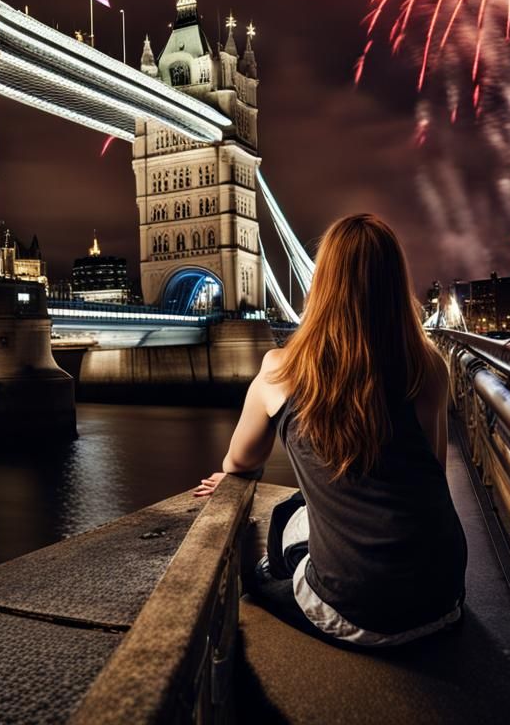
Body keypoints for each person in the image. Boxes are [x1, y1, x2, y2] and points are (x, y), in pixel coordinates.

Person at [194, 214, 467, 646]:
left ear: (321, 283)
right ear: (396, 284)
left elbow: (240, 461)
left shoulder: (279, 369)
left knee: (270, 569)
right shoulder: (428, 365)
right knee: (291, 513)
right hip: (443, 595)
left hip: (360, 611)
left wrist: (228, 477)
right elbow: (429, 475)